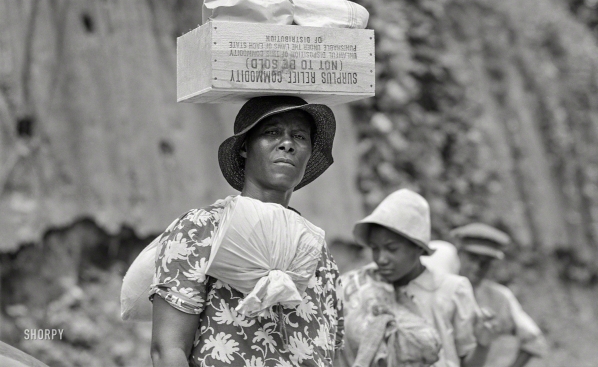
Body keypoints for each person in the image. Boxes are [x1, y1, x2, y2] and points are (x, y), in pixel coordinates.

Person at [149, 95, 344, 367]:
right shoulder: (201, 230)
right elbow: (168, 349)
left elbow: (330, 352)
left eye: (299, 136)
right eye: (272, 132)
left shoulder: (316, 252)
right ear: (244, 148)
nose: (287, 144)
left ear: (309, 152)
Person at [339, 189, 496, 367]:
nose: (381, 259)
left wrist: (483, 345)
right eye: (375, 248)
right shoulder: (362, 286)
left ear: (419, 247)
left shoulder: (452, 290)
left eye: (392, 249)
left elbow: (468, 361)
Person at [451, 223, 549, 367]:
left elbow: (534, 340)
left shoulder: (499, 298)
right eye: (473, 258)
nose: (478, 267)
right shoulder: (439, 289)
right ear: (459, 253)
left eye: (486, 262)